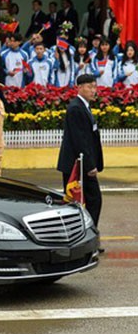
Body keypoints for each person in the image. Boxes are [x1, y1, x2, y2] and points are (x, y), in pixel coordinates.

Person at [57, 74, 104, 228]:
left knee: (88, 201)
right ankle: (86, 236)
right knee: (89, 200)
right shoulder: (76, 108)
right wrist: (90, 165)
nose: (93, 90)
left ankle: (88, 234)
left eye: (94, 87)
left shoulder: (83, 106)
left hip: (82, 163)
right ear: (79, 88)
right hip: (77, 165)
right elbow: (80, 140)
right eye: (89, 87)